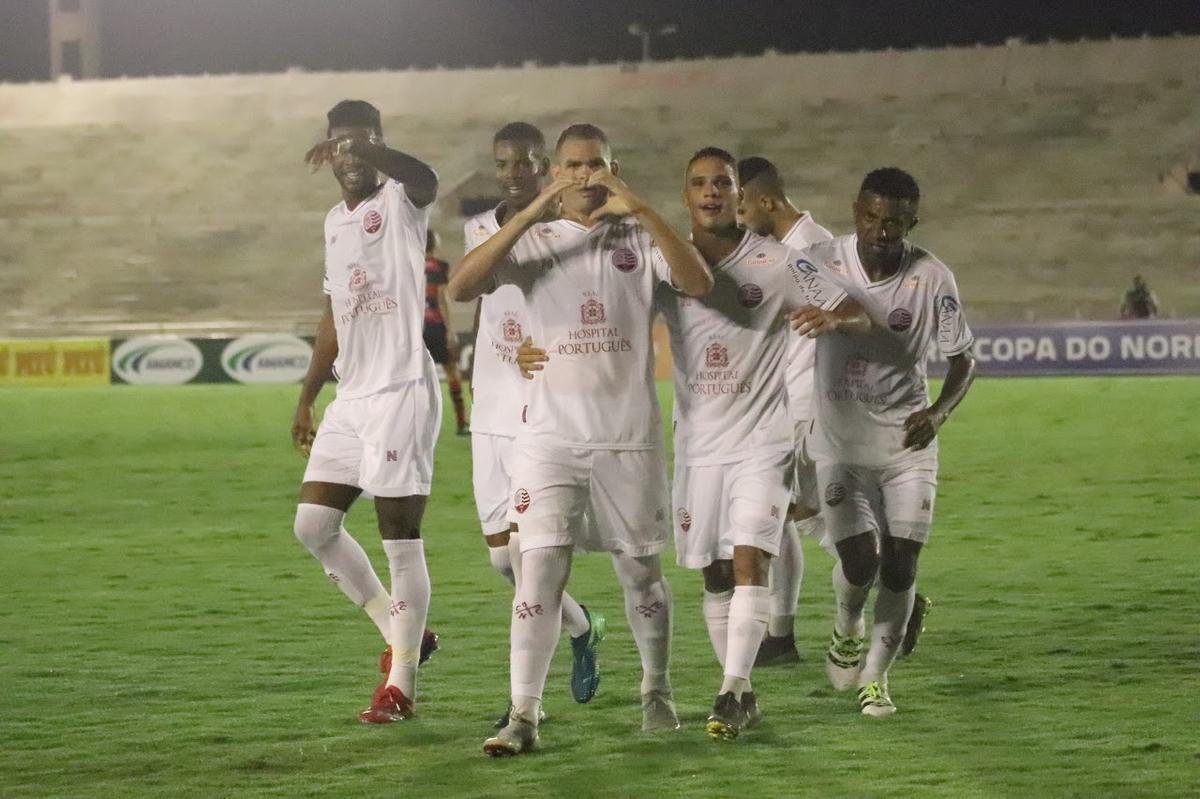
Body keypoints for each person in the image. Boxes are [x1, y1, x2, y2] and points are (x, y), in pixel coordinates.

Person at [448, 123, 713, 756]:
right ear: (554, 171)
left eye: (596, 165)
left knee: (640, 572)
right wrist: (538, 206)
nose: (585, 176)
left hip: (627, 439)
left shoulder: (636, 238)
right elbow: (461, 288)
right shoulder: (532, 239)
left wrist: (643, 206)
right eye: (572, 166)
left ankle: (657, 691)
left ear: (613, 168)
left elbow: (699, 283)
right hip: (547, 438)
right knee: (535, 572)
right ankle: (523, 715)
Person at [657, 148, 867, 740]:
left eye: (722, 182)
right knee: (717, 575)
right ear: (686, 194)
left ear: (737, 194)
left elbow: (853, 308)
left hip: (762, 441)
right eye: (699, 182)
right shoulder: (665, 260)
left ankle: (728, 691)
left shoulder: (779, 261)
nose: (711, 192)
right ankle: (743, 690)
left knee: (751, 558)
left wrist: (834, 320)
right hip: (698, 446)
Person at [738, 156, 933, 663]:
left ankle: (782, 634)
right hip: (791, 405)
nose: (737, 220)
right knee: (805, 518)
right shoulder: (790, 246)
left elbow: (863, 325)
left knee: (781, 515)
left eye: (741, 207)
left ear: (764, 201)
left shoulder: (813, 250)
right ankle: (894, 598)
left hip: (810, 407)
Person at [290, 99, 441, 724]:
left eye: (363, 142)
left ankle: (400, 684)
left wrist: (368, 151)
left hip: (403, 388)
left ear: (378, 142)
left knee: (399, 539)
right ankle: (404, 631)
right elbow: (334, 312)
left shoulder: (402, 203)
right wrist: (308, 391)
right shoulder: (333, 220)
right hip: (353, 396)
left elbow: (427, 179)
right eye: (341, 144)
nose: (349, 155)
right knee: (313, 527)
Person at [805, 168, 976, 716]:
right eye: (873, 218)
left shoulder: (933, 277)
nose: (882, 231)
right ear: (857, 211)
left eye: (895, 222)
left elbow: (964, 359)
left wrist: (938, 412)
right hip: (838, 444)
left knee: (901, 565)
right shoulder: (820, 261)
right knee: (859, 564)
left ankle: (875, 679)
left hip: (907, 442)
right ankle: (846, 624)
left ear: (912, 222)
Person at [462, 122, 606, 722]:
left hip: (537, 412)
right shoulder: (479, 226)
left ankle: (521, 702)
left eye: (524, 162)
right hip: (490, 408)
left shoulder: (565, 231)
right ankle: (582, 625)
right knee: (503, 559)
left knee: (531, 559)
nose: (513, 172)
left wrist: (546, 345)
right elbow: (481, 296)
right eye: (503, 164)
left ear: (545, 164)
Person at [423, 230, 469, 435]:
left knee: (417, 377)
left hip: (415, 329)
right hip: (435, 325)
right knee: (452, 371)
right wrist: (450, 331)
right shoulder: (439, 267)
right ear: (435, 243)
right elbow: (442, 299)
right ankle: (461, 422)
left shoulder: (408, 265)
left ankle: (418, 425)